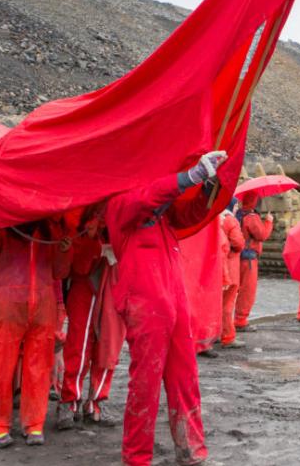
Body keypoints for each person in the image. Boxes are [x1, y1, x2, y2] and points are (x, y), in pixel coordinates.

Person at [104, 150, 227, 466]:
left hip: (173, 303)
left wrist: (209, 187)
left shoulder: (163, 220)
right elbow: (145, 198)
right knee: (145, 382)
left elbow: (190, 216)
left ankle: (190, 447)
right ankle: (136, 456)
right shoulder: (120, 209)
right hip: (145, 306)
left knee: (185, 376)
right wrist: (187, 177)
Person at [0, 218, 73, 449]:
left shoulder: (51, 228)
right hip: (6, 306)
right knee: (0, 367)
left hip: (42, 307)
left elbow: (60, 271)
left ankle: (34, 423)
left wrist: (64, 250)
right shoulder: (3, 226)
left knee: (38, 368)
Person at [57, 211, 124, 430]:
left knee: (109, 344)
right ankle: (69, 400)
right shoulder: (81, 215)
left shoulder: (126, 212)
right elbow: (75, 262)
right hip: (84, 285)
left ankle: (97, 401)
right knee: (78, 344)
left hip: (116, 284)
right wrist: (94, 244)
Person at [235, 192, 274, 332]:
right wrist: (269, 221)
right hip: (249, 259)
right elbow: (262, 235)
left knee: (234, 290)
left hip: (236, 257)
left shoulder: (238, 214)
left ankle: (228, 320)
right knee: (247, 290)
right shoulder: (252, 217)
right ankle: (240, 320)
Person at [220, 199, 246, 344]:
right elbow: (238, 242)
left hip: (217, 266)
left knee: (217, 303)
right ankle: (228, 336)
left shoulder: (216, 219)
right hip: (230, 266)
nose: (237, 208)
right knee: (228, 304)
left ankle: (215, 333)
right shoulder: (231, 220)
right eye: (236, 205)